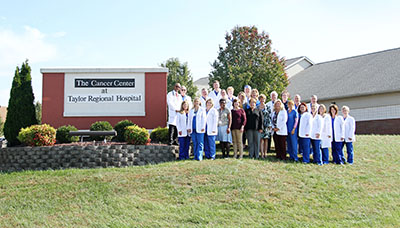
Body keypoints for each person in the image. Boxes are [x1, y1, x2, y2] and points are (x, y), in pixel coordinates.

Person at [258, 94, 272, 159]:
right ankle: (261, 153)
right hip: (260, 125)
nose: (262, 100)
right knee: (261, 140)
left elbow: (269, 116)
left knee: (266, 139)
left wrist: (269, 125)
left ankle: (265, 153)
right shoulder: (257, 107)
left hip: (266, 125)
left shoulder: (267, 107)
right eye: (261, 99)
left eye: (263, 99)